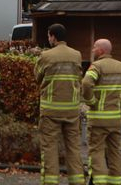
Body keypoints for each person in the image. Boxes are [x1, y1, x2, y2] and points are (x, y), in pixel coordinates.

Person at [81, 39, 121, 185]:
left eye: (95, 47)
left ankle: (99, 182)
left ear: (101, 50)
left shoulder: (96, 67)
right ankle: (116, 182)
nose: (93, 50)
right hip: (115, 119)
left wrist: (90, 102)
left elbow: (86, 83)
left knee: (96, 152)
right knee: (115, 152)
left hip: (98, 120)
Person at [36, 23, 85, 185]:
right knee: (74, 149)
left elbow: (37, 76)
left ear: (53, 37)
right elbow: (79, 77)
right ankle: (78, 182)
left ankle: (50, 182)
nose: (48, 38)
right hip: (72, 111)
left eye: (49, 36)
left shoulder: (46, 56)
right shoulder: (77, 55)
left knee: (50, 148)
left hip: (51, 110)